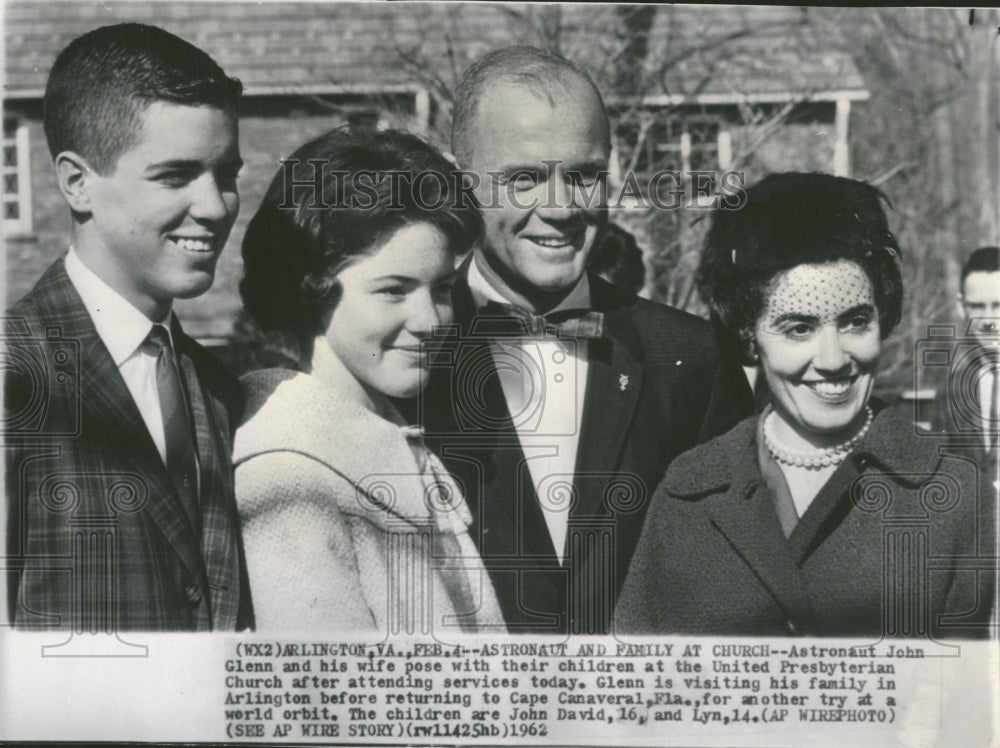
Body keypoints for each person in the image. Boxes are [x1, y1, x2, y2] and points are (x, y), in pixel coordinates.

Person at [419, 46, 753, 634]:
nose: (561, 207)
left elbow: (737, 585)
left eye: (583, 176)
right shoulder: (409, 354)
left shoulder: (695, 360)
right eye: (524, 178)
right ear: (461, 182)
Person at [615, 172, 995, 637]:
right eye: (799, 328)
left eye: (856, 322)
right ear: (748, 335)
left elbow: (970, 697)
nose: (834, 359)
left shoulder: (953, 497)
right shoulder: (689, 491)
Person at [4, 24, 252, 630]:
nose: (216, 207)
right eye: (175, 176)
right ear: (77, 183)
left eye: (226, 174)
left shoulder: (218, 387)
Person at [235, 127, 504, 633]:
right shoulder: (287, 474)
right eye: (393, 291)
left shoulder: (389, 435)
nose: (431, 320)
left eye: (442, 288)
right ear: (310, 287)